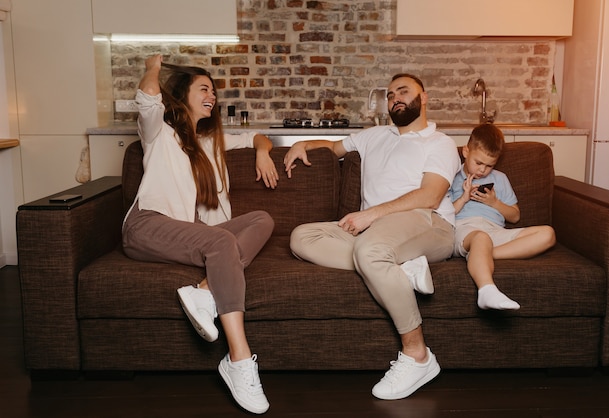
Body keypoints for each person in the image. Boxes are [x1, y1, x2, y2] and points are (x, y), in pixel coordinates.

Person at [283, 74, 461, 400]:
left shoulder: (440, 143)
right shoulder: (375, 135)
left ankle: (418, 354)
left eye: (403, 92)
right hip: (378, 233)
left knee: (371, 250)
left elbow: (431, 195)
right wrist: (302, 143)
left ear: (425, 96)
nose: (395, 98)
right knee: (302, 237)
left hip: (429, 224)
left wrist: (372, 214)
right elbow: (333, 147)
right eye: (391, 94)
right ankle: (395, 267)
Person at [122, 54, 279, 414]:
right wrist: (153, 68)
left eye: (214, 91)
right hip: (146, 226)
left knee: (262, 219)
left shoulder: (209, 143)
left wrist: (262, 153)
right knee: (221, 240)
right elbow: (147, 97)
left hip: (190, 233)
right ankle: (238, 360)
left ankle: (206, 290)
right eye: (204, 89)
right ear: (182, 95)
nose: (212, 96)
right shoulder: (159, 132)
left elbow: (259, 136)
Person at [450, 123, 556, 310]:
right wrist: (463, 198)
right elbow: (443, 215)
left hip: (495, 231)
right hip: (465, 229)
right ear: (466, 152)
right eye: (478, 163)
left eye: (489, 165)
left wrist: (494, 203)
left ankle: (481, 255)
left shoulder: (500, 178)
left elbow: (515, 217)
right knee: (480, 238)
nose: (482, 170)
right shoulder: (451, 176)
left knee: (548, 234)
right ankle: (486, 290)